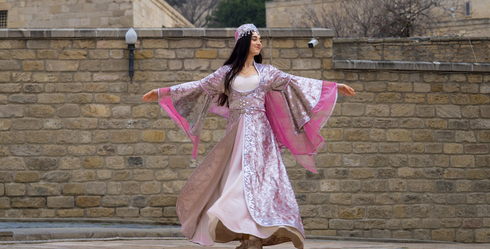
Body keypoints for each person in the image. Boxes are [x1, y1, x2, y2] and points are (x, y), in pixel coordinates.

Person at [142, 24, 354, 249]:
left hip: (261, 139)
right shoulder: (226, 74)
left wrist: (333, 87)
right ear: (243, 42)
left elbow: (295, 82)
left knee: (257, 186)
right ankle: (247, 238)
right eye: (254, 39)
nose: (259, 42)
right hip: (236, 138)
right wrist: (163, 92)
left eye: (260, 39)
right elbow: (199, 87)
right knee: (237, 185)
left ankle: (252, 238)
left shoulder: (267, 72)